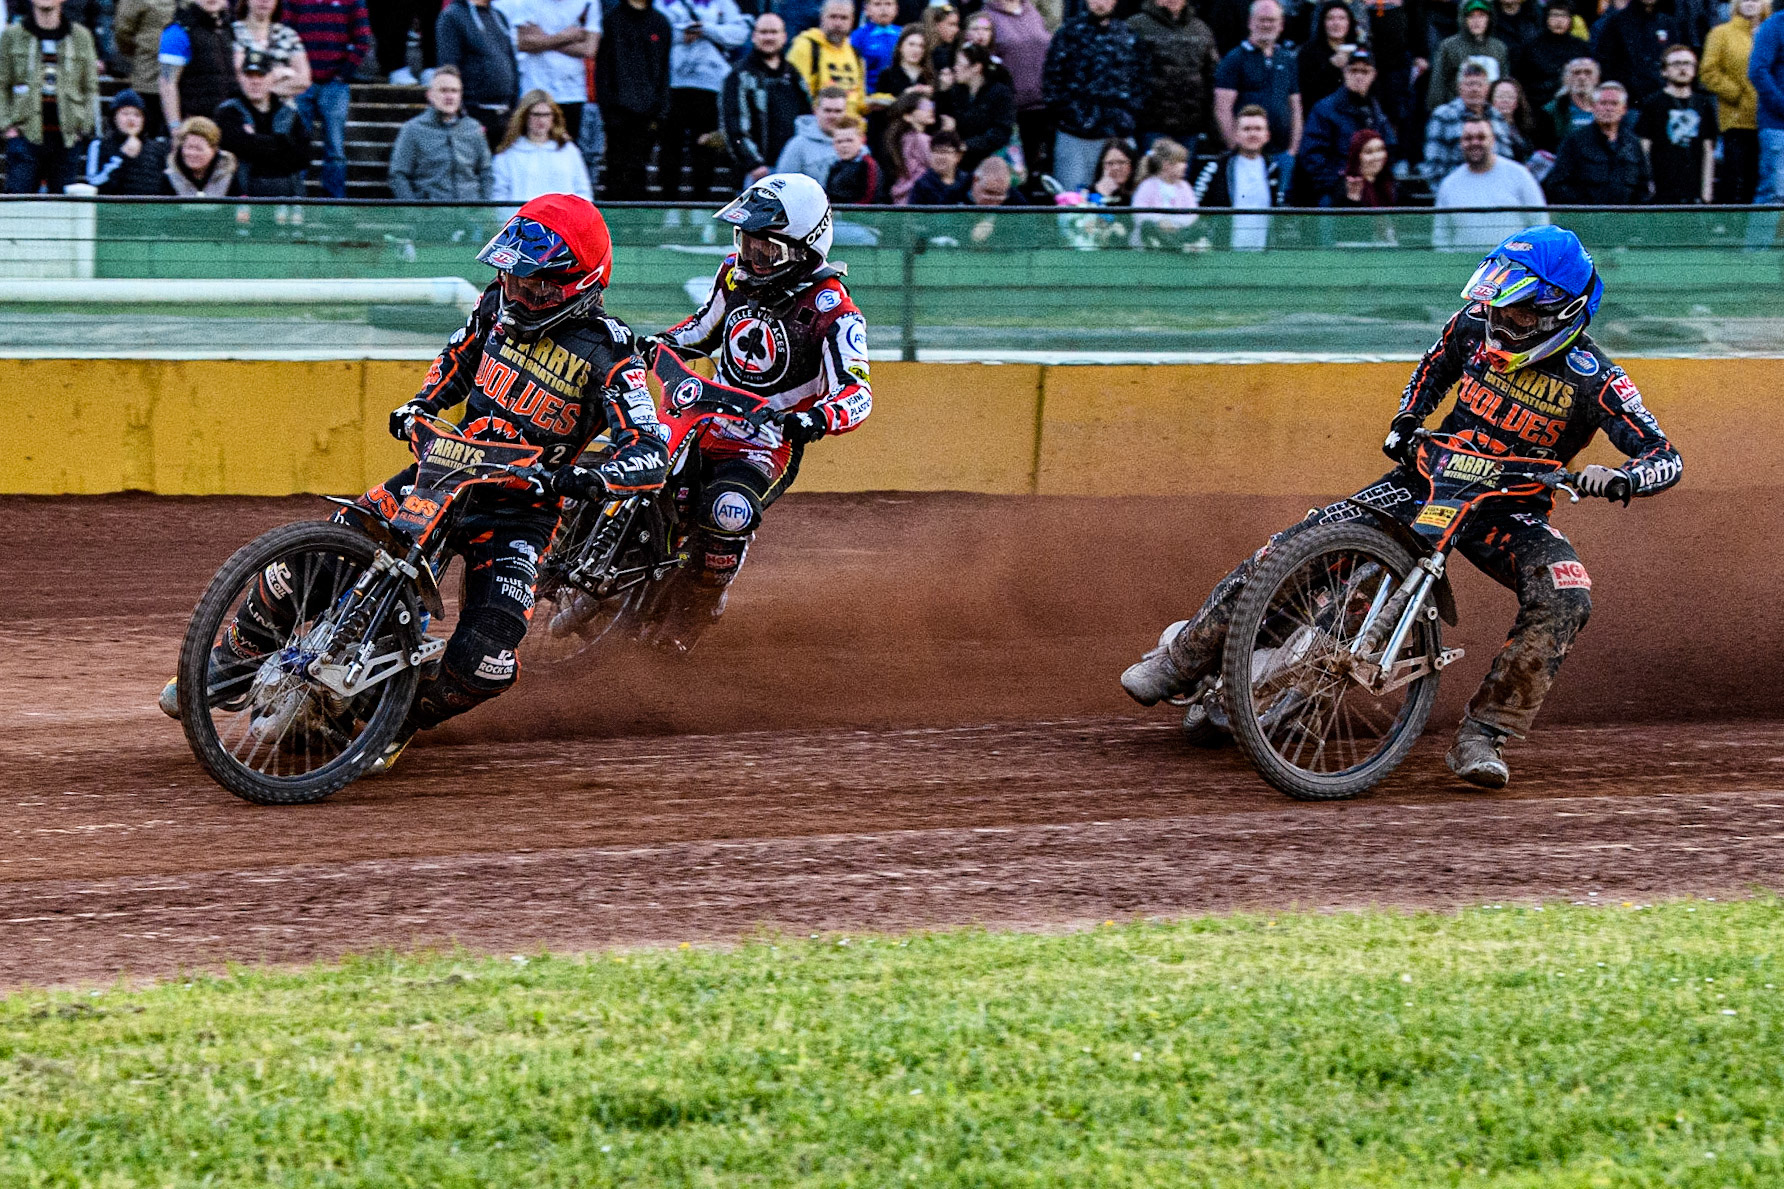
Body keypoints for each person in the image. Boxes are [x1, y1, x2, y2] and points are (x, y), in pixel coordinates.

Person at [1120, 225, 1681, 790]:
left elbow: (1664, 455)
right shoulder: (1473, 325)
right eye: (1496, 306)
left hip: (1508, 510)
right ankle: (1183, 658)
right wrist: (1408, 420)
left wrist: (1624, 477)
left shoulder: (1596, 378)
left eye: (1515, 314)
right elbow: (1432, 368)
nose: (1498, 322)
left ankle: (1485, 734)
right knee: (1299, 543)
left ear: (1561, 312)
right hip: (1428, 478)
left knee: (1567, 593)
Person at [164, 195, 675, 776]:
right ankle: (234, 659)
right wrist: (421, 404)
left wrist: (585, 478)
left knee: (487, 661)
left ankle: (393, 716)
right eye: (511, 278)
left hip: (521, 509)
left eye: (534, 286)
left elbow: (650, 450)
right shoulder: (494, 306)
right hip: (446, 470)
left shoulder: (611, 351)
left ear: (577, 286)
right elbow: (457, 358)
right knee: (312, 560)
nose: (517, 295)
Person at [652, 173, 873, 653]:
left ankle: (699, 607)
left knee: (726, 513)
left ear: (805, 249)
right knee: (638, 467)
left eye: (767, 250)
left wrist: (815, 420)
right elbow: (701, 330)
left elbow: (858, 392)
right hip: (699, 417)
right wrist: (654, 344)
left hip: (763, 445)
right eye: (747, 243)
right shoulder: (733, 274)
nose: (753, 258)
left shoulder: (835, 312)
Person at [1041, 0, 1142, 190]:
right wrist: (1071, 116)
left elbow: (1140, 80)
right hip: (1075, 136)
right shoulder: (1069, 33)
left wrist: (1126, 117)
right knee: (1073, 197)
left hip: (1117, 134)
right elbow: (1052, 80)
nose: (1100, 3)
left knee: (1119, 197)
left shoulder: (1128, 35)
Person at [2, 0, 98, 194]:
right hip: (24, 135)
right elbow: (1, 84)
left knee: (64, 205)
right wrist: (6, 125)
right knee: (18, 203)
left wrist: (83, 127)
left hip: (67, 138)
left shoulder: (81, 37)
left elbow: (90, 87)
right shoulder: (12, 35)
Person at [284, 0, 369, 196]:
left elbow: (362, 39)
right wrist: (296, 72)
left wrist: (344, 74)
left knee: (335, 148)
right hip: (301, 82)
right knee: (295, 144)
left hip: (335, 84)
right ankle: (294, 198)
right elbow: (286, 35)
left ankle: (334, 203)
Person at [722, 13, 812, 186]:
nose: (769, 37)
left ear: (784, 37)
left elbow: (807, 117)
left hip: (793, 170)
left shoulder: (794, 74)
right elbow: (733, 126)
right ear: (754, 36)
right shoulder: (739, 75)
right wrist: (752, 163)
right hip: (757, 172)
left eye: (774, 32)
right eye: (763, 32)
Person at [1212, 0, 1300, 173]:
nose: (1267, 25)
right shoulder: (1234, 59)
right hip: (1248, 155)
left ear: (1281, 25)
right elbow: (1222, 109)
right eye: (1261, 20)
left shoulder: (1287, 59)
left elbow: (1296, 107)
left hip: (1282, 154)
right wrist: (1236, 149)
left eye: (1272, 20)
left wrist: (1292, 150)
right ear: (1250, 22)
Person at [594, 0, 669, 198]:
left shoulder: (660, 22)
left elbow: (664, 70)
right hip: (617, 111)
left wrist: (660, 111)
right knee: (615, 171)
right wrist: (608, 109)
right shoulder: (611, 21)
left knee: (639, 172)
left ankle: (638, 217)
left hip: (648, 112)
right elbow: (603, 69)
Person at [1433, 114, 1546, 247]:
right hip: (1463, 259)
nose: (1474, 143)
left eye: (1481, 137)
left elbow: (1540, 222)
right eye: (1468, 138)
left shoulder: (1520, 175)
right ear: (1461, 143)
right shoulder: (1449, 184)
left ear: (1493, 140)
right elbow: (1441, 237)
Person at [1298, 48, 1393, 204]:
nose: (1359, 76)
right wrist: (1339, 184)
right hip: (1335, 191)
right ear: (1345, 72)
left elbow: (1390, 147)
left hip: (1371, 186)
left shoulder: (1377, 111)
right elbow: (1312, 156)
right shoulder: (1324, 109)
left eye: (1365, 71)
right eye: (1353, 70)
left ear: (1374, 75)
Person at [493, 0, 599, 139]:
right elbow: (522, 43)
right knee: (533, 144)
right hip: (534, 89)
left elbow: (589, 49)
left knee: (566, 147)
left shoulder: (589, 3)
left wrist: (543, 39)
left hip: (573, 93)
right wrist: (566, 37)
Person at [388, 65, 493, 198]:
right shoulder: (413, 129)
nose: (449, 96)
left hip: (469, 208)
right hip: (431, 208)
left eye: (454, 91)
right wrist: (413, 208)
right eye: (443, 90)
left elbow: (486, 171)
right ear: (430, 95)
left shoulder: (473, 128)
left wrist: (483, 204)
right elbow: (398, 175)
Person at [1128, 0, 1220, 152]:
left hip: (1190, 126)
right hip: (1150, 126)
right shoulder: (1136, 26)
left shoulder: (1201, 29)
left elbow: (1212, 76)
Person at [214, 48, 310, 194]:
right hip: (242, 197)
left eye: (261, 75)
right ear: (240, 78)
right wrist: (282, 142)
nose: (255, 82)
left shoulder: (289, 113)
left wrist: (253, 139)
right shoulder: (228, 112)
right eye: (249, 76)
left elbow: (303, 157)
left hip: (287, 197)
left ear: (272, 78)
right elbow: (234, 145)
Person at [1192, 103, 1283, 247]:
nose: (1252, 134)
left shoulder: (1274, 169)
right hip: (1224, 252)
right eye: (1246, 129)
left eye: (1258, 129)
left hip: (1263, 254)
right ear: (1236, 135)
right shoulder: (1216, 167)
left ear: (1267, 135)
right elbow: (1195, 206)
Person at [1701, 0, 1764, 202]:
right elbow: (1708, 72)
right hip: (1735, 119)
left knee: (1761, 179)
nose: (1750, 3)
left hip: (1769, 118)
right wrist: (1736, 94)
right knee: (1734, 177)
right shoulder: (1721, 33)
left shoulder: (1772, 32)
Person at [1545, 81, 1650, 201]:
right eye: (1603, 103)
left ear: (1624, 109)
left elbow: (1643, 188)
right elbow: (1558, 184)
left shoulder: (1633, 144)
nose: (1608, 108)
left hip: (1626, 212)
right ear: (1593, 107)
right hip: (1586, 212)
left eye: (1614, 104)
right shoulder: (1574, 141)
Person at [1637, 45, 1716, 202]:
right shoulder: (1653, 103)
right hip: (1662, 187)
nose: (1682, 68)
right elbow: (1644, 147)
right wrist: (1648, 182)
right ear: (1664, 71)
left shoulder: (1704, 103)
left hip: (1694, 188)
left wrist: (1707, 189)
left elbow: (1708, 149)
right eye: (1676, 64)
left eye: (1687, 63)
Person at [436, 0, 518, 146]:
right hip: (473, 113)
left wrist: (514, 105)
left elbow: (511, 61)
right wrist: (459, 112)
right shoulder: (452, 15)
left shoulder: (499, 16)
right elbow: (449, 68)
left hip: (504, 114)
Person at [984, 0, 1052, 175]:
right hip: (1012, 110)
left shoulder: (1032, 12)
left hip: (1042, 105)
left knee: (1039, 171)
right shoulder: (988, 15)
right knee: (1016, 173)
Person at [1423, 61, 1517, 184]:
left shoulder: (1497, 117)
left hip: (1495, 187)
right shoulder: (1443, 116)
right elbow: (1434, 165)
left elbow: (1506, 159)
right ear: (1459, 87)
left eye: (1479, 84)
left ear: (1487, 88)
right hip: (1458, 189)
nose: (1474, 89)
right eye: (1469, 84)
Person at [491, 87, 592, 198]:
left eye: (546, 114)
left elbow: (583, 190)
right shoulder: (508, 154)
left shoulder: (568, 151)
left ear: (553, 116)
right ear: (525, 116)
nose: (541, 120)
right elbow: (499, 194)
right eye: (536, 114)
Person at [938, 41, 1015, 172]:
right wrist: (943, 91)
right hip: (962, 163)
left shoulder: (1000, 93)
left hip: (992, 161)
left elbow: (1001, 132)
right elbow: (942, 118)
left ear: (976, 68)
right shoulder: (956, 91)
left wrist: (967, 145)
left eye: (959, 64)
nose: (955, 68)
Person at [159, 0, 236, 126]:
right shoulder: (179, 30)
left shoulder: (231, 28)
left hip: (229, 123)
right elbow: (167, 83)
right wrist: (175, 126)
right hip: (195, 125)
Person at [790, 0, 868, 115]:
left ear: (852, 21)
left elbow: (859, 102)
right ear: (822, 18)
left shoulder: (855, 54)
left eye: (844, 18)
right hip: (817, 123)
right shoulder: (806, 47)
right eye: (833, 17)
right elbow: (796, 96)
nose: (838, 23)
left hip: (852, 124)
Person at [1596, 0, 1681, 105]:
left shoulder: (1668, 23)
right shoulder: (1616, 22)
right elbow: (1605, 62)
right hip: (1629, 100)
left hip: (1663, 99)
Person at [1430, 0, 1510, 109]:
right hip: (1457, 111)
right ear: (1463, 19)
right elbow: (1438, 84)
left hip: (1490, 111)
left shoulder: (1499, 48)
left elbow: (1504, 83)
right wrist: (1438, 111)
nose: (1476, 21)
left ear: (1489, 19)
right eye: (1471, 16)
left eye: (1481, 16)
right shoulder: (1449, 46)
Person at [86, 88, 169, 192]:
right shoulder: (99, 145)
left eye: (137, 115)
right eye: (125, 113)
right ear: (114, 117)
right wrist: (122, 157)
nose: (131, 119)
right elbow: (94, 183)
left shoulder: (157, 148)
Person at [1513, 0, 1584, 120]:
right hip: (1538, 106)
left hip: (1572, 106)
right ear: (1546, 18)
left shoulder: (1580, 47)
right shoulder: (1532, 47)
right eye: (1554, 15)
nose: (1559, 20)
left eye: (1563, 16)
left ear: (1570, 19)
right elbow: (1522, 79)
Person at [116, 0, 177, 133]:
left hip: (185, 80)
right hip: (149, 76)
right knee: (148, 130)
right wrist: (142, 52)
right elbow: (122, 31)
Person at [1130, 134, 1199, 246]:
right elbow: (1138, 213)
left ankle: (1176, 245)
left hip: (1178, 232)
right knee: (1148, 227)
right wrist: (1160, 222)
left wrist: (1174, 224)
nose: (1185, 166)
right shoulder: (1147, 185)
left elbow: (1192, 214)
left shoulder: (1185, 187)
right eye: (1181, 162)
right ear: (1166, 165)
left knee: (1200, 228)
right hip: (1153, 236)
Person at [232, 0, 310, 99]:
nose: (264, 1)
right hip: (240, 104)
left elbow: (304, 80)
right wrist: (280, 73)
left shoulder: (288, 35)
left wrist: (263, 91)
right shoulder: (231, 33)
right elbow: (232, 74)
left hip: (281, 106)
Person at [774, 83, 851, 182]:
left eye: (838, 111)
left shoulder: (856, 145)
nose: (832, 116)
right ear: (816, 111)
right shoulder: (798, 145)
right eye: (827, 110)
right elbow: (782, 184)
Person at [1753, 2, 1784, 229]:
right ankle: (1758, 249)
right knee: (1774, 193)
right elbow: (1757, 70)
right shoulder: (1775, 24)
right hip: (1778, 126)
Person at [1297, 0, 1359, 111]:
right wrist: (1331, 66)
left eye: (1342, 18)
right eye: (1330, 18)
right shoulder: (1308, 52)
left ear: (1349, 22)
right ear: (1323, 22)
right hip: (1319, 112)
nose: (1336, 23)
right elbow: (1305, 88)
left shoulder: (1359, 49)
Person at [160, 112, 242, 192]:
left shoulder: (228, 175)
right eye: (189, 147)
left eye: (198, 149)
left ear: (213, 150)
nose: (192, 153)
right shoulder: (170, 176)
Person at [883, 88, 934, 201]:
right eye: (923, 107)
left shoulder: (902, 139)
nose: (930, 110)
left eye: (931, 105)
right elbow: (935, 166)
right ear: (908, 116)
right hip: (918, 197)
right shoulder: (921, 139)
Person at [1543, 55, 1600, 146]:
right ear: (1566, 79)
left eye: (1588, 72)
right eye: (1576, 73)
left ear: (1597, 78)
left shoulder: (1607, 107)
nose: (1582, 77)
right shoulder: (1552, 111)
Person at [823, 111, 880, 199]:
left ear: (862, 140)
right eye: (839, 141)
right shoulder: (834, 166)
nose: (844, 145)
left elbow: (870, 197)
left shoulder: (869, 165)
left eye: (849, 140)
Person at [1337, 125, 1395, 203]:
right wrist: (1352, 201)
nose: (1377, 157)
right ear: (1357, 156)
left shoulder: (1389, 183)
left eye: (1380, 150)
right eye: (1369, 152)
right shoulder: (1347, 186)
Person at [907, 125, 965, 200]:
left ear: (958, 156)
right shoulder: (922, 185)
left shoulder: (966, 182)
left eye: (945, 152)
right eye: (935, 151)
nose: (940, 157)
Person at [875, 25, 934, 97]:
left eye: (921, 46)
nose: (916, 50)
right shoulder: (887, 75)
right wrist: (906, 94)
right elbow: (880, 102)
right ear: (900, 47)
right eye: (911, 44)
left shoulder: (931, 75)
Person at [851, 0, 901, 82]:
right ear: (867, 9)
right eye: (877, 4)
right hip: (870, 88)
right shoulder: (858, 37)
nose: (883, 8)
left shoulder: (903, 33)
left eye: (888, 4)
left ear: (896, 9)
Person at [1489, 76, 1537, 160]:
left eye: (1510, 96)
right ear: (1491, 99)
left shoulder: (1524, 130)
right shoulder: (1485, 128)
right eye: (1500, 96)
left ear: (1517, 102)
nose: (1505, 100)